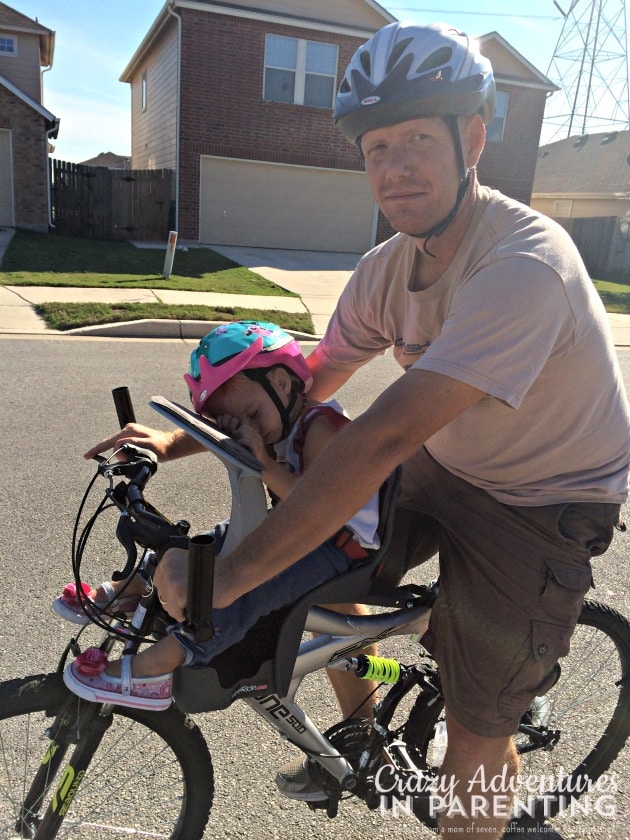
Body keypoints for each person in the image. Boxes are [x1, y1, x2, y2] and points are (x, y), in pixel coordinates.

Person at [83, 22, 629, 837]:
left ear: (471, 139)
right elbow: (304, 390)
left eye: (418, 138)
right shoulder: (386, 269)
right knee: (317, 585)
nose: (396, 166)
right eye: (377, 147)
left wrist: (225, 580)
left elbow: (377, 438)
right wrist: (174, 440)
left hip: (542, 502)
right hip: (445, 463)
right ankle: (362, 738)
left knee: (476, 738)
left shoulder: (522, 266)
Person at [63, 321, 382, 711]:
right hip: (297, 528)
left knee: (247, 588)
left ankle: (162, 665)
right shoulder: (276, 417)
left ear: (283, 384)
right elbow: (216, 434)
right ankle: (131, 586)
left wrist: (263, 462)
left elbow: (314, 506)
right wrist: (164, 445)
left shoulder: (322, 429)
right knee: (207, 546)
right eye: (236, 420)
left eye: (250, 413)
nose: (250, 429)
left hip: (338, 546)